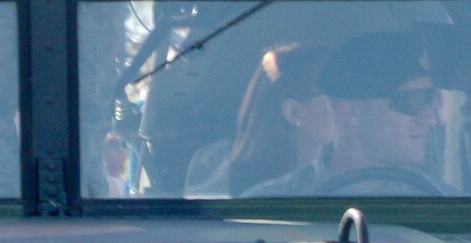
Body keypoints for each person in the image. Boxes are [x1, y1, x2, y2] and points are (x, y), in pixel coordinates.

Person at [247, 34, 447, 197]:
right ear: (352, 111)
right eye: (413, 101)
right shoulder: (269, 206)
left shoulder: (448, 204)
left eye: (431, 99)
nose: (430, 118)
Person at [186, 42, 334, 198]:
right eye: (332, 94)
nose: (348, 105)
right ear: (293, 112)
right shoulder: (220, 178)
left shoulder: (352, 178)